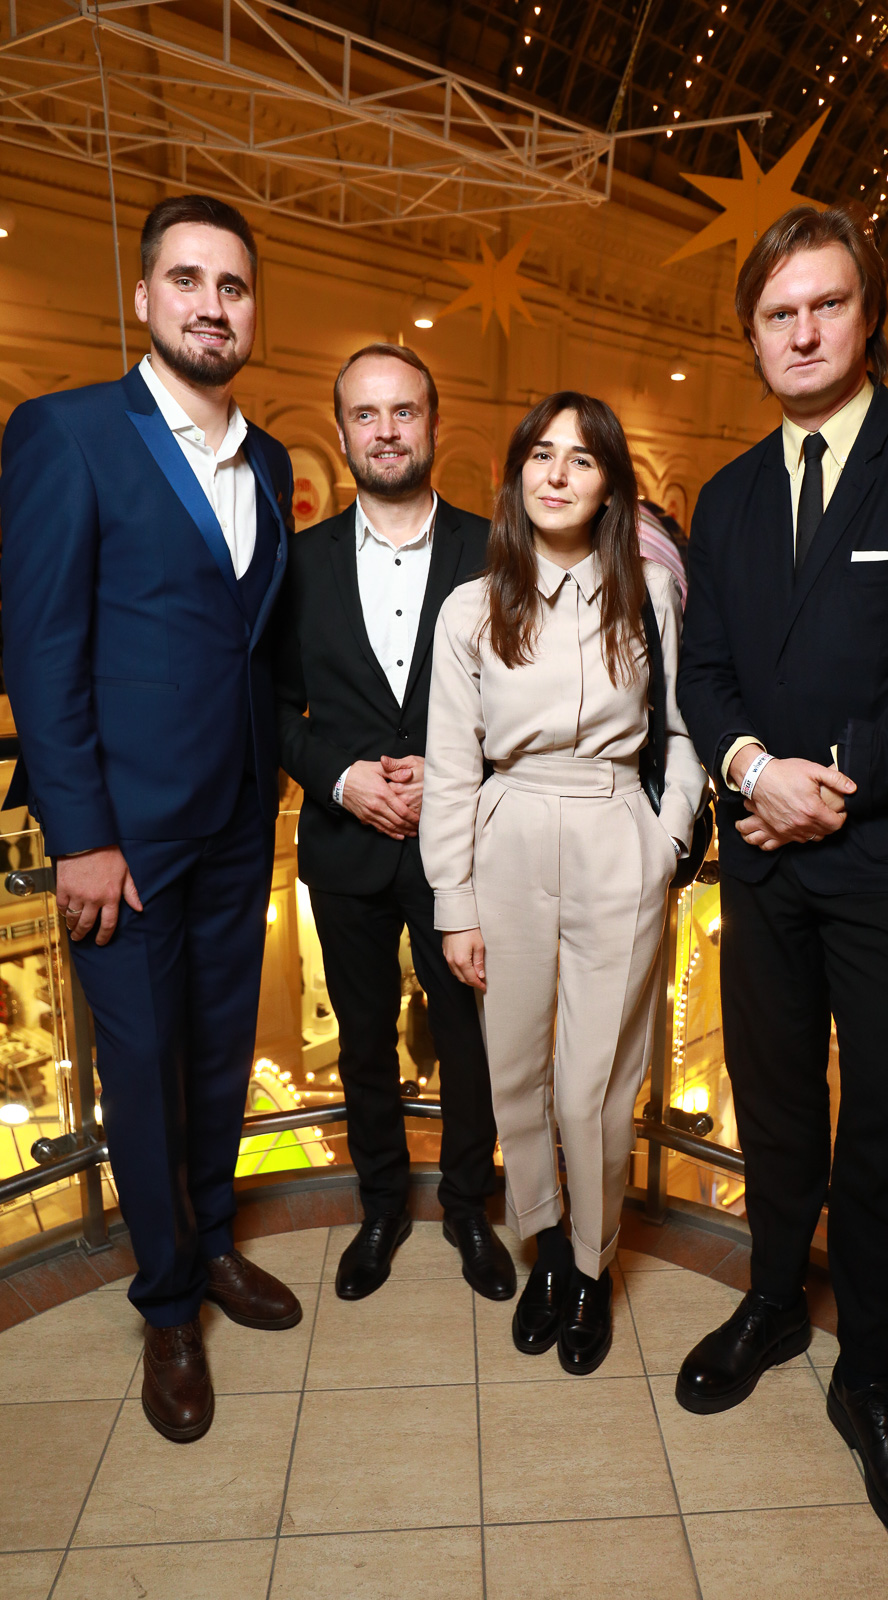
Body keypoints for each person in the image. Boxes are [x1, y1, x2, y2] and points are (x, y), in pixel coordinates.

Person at [675, 205, 888, 1552]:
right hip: (763, 866)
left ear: (864, 316)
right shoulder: (723, 497)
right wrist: (750, 769)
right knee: (773, 1109)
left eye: (824, 304)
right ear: (751, 336)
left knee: (880, 1128)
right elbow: (703, 676)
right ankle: (772, 1302)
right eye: (777, 313)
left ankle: (866, 1377)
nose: (802, 330)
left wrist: (825, 780)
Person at [0, 195, 302, 1444]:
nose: (210, 305)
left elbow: (253, 642)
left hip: (236, 816)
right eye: (186, 280)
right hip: (119, 835)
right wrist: (79, 833)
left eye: (231, 286)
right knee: (140, 1065)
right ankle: (168, 1304)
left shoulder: (269, 460)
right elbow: (39, 647)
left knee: (222, 1046)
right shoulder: (67, 434)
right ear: (142, 298)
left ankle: (213, 1238)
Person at [420, 392, 706, 1373]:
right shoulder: (470, 606)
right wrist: (454, 903)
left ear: (610, 486)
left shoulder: (649, 592)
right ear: (515, 475)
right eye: (540, 454)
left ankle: (591, 1263)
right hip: (505, 830)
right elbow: (450, 765)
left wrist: (665, 839)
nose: (556, 473)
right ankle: (543, 1247)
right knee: (514, 1071)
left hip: (615, 830)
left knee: (593, 1085)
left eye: (580, 459)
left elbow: (680, 730)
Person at [273, 344, 514, 1304]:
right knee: (364, 1039)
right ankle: (380, 1205)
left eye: (403, 411)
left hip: (465, 851)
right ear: (341, 432)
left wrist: (458, 771)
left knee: (469, 1038)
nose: (385, 431)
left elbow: (529, 703)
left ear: (433, 424)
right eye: (365, 415)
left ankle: (466, 1205)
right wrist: (340, 779)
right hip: (346, 849)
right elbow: (272, 708)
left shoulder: (494, 552)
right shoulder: (299, 562)